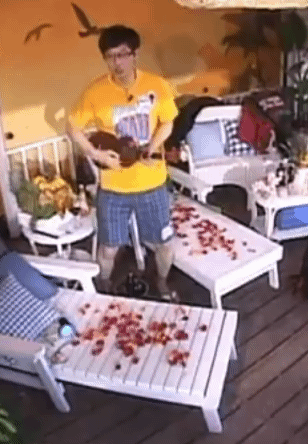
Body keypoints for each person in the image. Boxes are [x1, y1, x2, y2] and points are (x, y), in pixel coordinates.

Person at [66, 25, 179, 299]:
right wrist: (97, 155)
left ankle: (161, 282)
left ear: (134, 54)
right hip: (113, 188)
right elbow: (72, 127)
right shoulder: (95, 91)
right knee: (108, 248)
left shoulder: (157, 85)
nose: (116, 62)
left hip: (152, 184)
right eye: (110, 56)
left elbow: (168, 122)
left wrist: (152, 146)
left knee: (164, 244)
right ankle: (103, 286)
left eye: (122, 55)